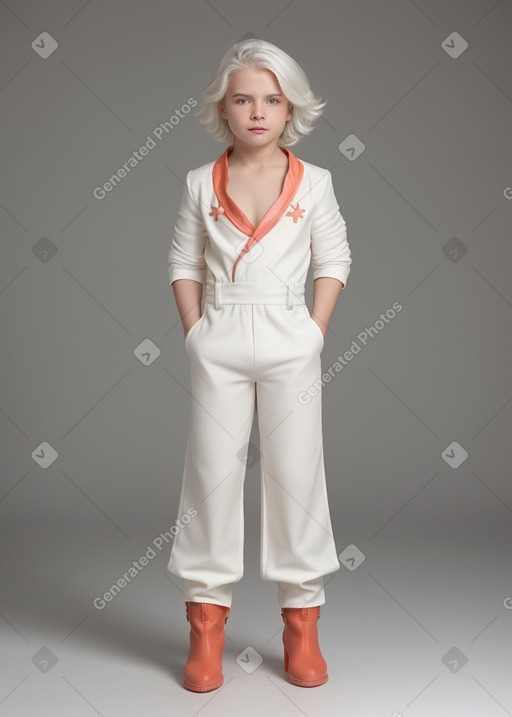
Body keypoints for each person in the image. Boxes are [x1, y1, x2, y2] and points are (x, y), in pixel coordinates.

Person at [167, 37, 352, 692]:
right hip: (219, 339)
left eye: (272, 99)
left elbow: (334, 261)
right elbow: (183, 266)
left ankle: (301, 627)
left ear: (291, 107)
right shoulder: (198, 182)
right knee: (211, 476)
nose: (257, 112)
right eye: (243, 98)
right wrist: (195, 335)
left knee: (298, 476)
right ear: (223, 105)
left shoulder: (316, 182)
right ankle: (206, 628)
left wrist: (314, 330)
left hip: (288, 338)